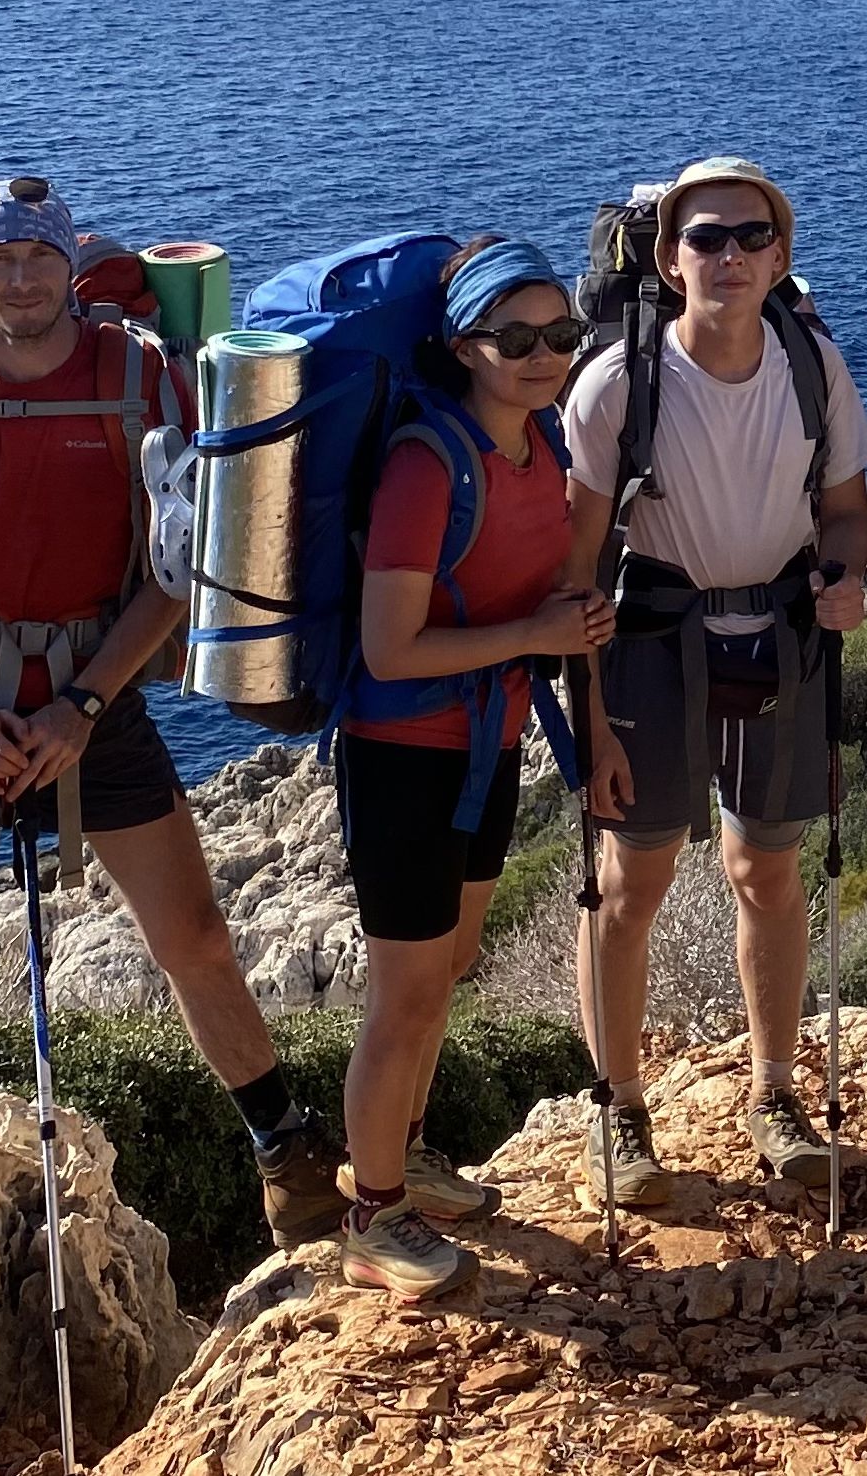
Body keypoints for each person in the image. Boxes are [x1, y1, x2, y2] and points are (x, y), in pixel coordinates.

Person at [0, 178, 345, 1246]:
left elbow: (176, 566)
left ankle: (285, 1151)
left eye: (38, 258)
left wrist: (83, 704)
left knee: (192, 930)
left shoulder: (142, 380)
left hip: (90, 698)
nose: (20, 279)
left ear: (70, 265)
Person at [564, 159, 867, 1208]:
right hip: (654, 650)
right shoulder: (617, 383)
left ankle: (775, 1092)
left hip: (779, 637)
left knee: (768, 872)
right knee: (631, 881)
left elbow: (848, 515)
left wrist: (845, 576)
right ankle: (618, 1108)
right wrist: (590, 728)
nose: (730, 255)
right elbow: (575, 573)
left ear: (781, 258)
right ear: (669, 257)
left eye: (751, 237)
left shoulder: (811, 362)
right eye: (706, 238)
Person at [332, 237, 614, 1303]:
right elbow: (388, 648)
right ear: (465, 346)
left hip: (490, 743)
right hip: (405, 756)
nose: (544, 355)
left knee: (447, 970)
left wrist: (567, 624)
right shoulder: (424, 465)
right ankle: (371, 1216)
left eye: (561, 336)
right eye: (516, 337)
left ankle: (399, 1161)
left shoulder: (543, 445)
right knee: (403, 995)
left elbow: (529, 600)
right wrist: (534, 631)